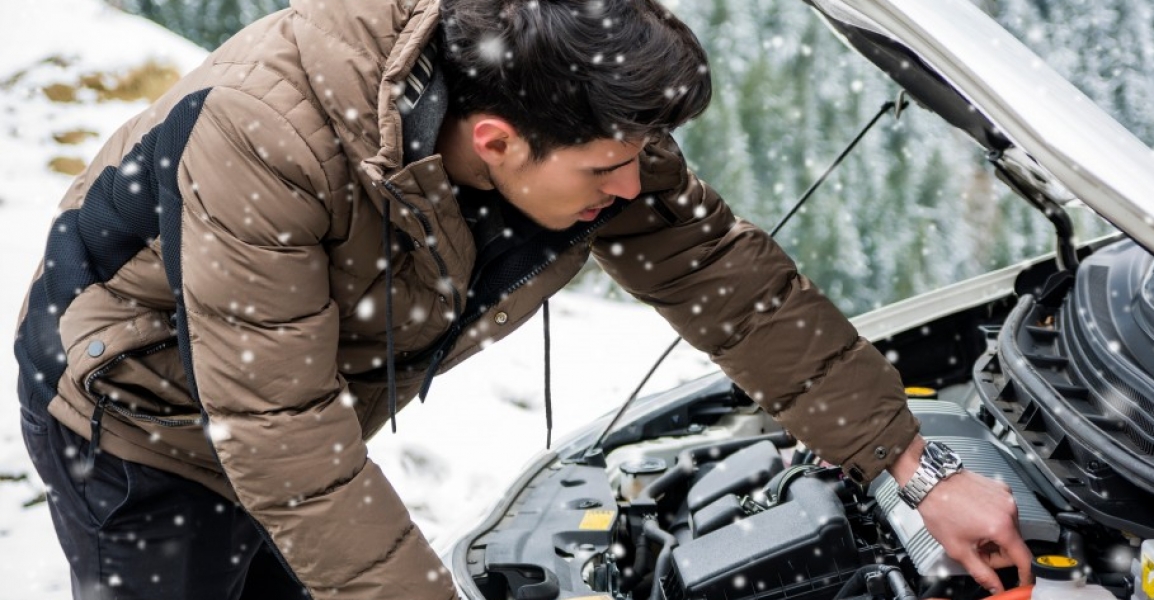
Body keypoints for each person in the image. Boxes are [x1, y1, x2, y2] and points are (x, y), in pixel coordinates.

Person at [13, 0, 1032, 598]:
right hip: (138, 415)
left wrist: (915, 465)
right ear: (497, 142)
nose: (636, 186)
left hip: (295, 403)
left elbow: (729, 280)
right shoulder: (271, 139)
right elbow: (280, 436)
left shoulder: (564, 92)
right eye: (609, 168)